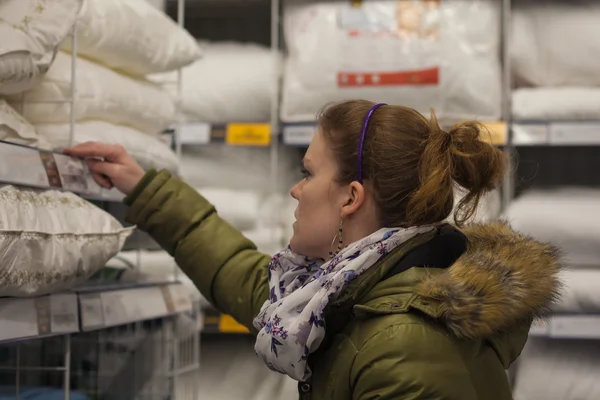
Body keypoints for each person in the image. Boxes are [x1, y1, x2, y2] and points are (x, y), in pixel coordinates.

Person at [65, 100, 563, 400]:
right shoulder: (343, 293)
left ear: (351, 197)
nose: (295, 191)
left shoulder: (404, 343)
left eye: (308, 173)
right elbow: (241, 275)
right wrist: (142, 188)